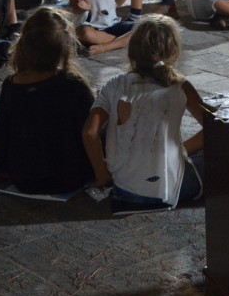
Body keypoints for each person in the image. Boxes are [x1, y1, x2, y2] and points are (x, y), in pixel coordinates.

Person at [82, 16, 207, 208]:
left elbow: (90, 133)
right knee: (222, 156)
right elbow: (213, 129)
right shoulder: (180, 85)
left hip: (124, 189)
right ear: (174, 51)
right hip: (169, 190)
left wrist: (102, 176)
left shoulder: (114, 84)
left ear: (131, 51)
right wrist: (181, 151)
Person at [0, 8, 94, 195]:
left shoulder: (11, 85)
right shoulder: (74, 86)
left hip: (24, 178)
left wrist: (0, 168)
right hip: (70, 177)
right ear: (65, 47)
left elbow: (2, 133)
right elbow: (91, 132)